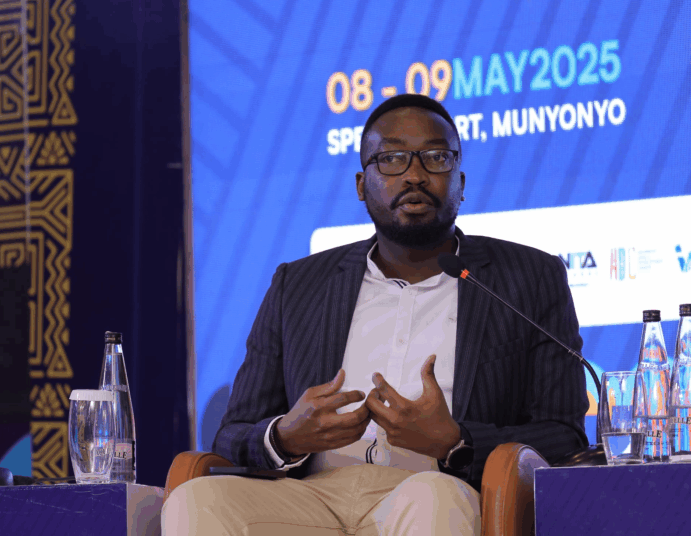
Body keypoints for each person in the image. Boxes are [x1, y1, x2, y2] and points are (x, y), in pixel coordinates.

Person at [163, 94, 588, 535]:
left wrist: (455, 441)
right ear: (361, 185)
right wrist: (285, 437)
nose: (415, 175)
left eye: (436, 157)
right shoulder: (298, 284)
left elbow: (565, 436)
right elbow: (232, 433)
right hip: (310, 497)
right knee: (197, 499)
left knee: (433, 498)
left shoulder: (527, 278)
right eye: (391, 159)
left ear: (460, 181)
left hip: (435, 490)